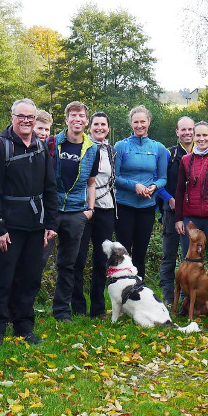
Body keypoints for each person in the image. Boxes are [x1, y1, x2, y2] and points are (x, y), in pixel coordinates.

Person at [0, 98, 58, 348]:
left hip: (36, 225)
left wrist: (51, 223)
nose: (26, 121)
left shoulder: (41, 147)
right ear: (12, 117)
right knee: (5, 278)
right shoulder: (0, 148)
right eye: (21, 116)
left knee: (30, 278)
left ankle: (24, 325)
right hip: (10, 227)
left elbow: (50, 188)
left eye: (30, 117)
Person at [173, 121, 208, 316]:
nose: (201, 139)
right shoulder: (185, 160)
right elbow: (180, 190)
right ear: (194, 138)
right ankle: (185, 305)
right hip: (191, 219)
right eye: (198, 135)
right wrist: (178, 218)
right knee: (187, 263)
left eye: (205, 135)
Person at [49, 102, 99, 322]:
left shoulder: (92, 148)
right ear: (66, 119)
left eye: (81, 116)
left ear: (86, 121)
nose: (77, 119)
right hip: (52, 210)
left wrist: (90, 209)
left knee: (67, 265)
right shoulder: (52, 143)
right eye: (73, 115)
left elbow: (91, 183)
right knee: (36, 260)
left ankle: (62, 311)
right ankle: (23, 311)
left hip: (77, 212)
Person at [113, 106, 168, 279]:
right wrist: (134, 185)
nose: (139, 125)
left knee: (140, 252)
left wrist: (154, 187)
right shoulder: (121, 146)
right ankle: (120, 287)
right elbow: (114, 177)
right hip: (124, 205)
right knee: (123, 252)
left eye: (142, 121)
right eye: (136, 122)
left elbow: (163, 178)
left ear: (149, 122)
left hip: (147, 207)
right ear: (131, 123)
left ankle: (138, 289)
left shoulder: (158, 148)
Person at [81, 112, 117, 319]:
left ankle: (98, 308)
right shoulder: (83, 146)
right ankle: (76, 307)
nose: (100, 128)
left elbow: (114, 178)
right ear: (90, 126)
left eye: (103, 124)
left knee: (101, 259)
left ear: (108, 128)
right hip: (83, 208)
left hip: (106, 208)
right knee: (78, 257)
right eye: (96, 124)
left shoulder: (111, 151)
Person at [157, 116, 193, 307]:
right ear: (177, 132)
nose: (187, 133)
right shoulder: (168, 154)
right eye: (183, 129)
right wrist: (169, 199)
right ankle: (169, 298)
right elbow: (159, 181)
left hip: (194, 215)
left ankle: (188, 298)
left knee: (191, 257)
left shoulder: (201, 153)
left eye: (190, 129)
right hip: (170, 213)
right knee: (169, 256)